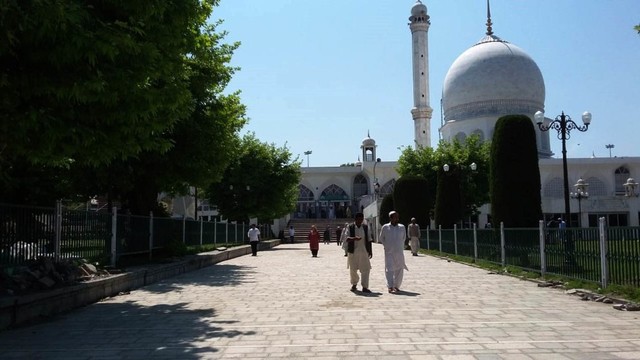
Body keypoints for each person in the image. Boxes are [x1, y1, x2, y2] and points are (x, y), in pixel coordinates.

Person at [379, 211, 408, 293]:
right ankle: (390, 286)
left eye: (397, 217)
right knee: (389, 268)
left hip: (399, 251)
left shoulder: (402, 227)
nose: (396, 218)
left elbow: (404, 238)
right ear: (390, 218)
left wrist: (399, 246)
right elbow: (381, 238)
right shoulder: (385, 227)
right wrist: (386, 246)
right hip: (389, 252)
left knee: (399, 268)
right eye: (394, 217)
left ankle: (396, 286)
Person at [346, 213, 373, 293]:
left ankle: (365, 286)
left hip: (363, 251)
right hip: (353, 252)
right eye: (358, 219)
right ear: (355, 219)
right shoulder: (350, 227)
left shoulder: (365, 227)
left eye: (361, 219)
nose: (360, 221)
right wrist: (354, 238)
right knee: (353, 269)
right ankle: (354, 284)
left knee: (366, 269)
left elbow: (369, 239)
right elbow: (346, 238)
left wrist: (370, 251)